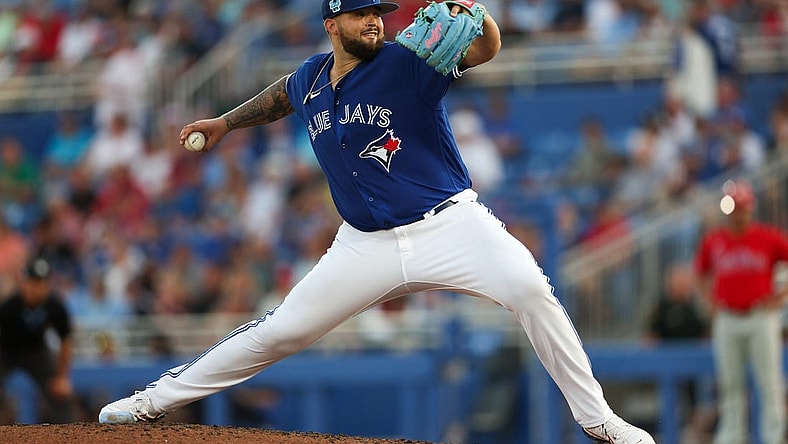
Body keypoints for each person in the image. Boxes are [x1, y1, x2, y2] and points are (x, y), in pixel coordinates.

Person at [98, 1, 655, 442]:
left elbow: (486, 47)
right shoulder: (312, 79)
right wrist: (224, 122)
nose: (375, 21)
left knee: (532, 290)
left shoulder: (409, 64)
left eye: (379, 13)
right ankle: (150, 402)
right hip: (363, 244)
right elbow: (281, 97)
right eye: (363, 13)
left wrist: (475, 12)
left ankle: (598, 420)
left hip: (450, 226)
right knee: (281, 329)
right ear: (332, 22)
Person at [694, 179, 788, 444]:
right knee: (730, 383)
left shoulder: (767, 237)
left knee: (769, 382)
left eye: (740, 209)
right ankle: (731, 437)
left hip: (760, 316)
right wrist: (709, 302)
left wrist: (781, 296)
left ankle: (773, 437)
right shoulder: (715, 240)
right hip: (728, 318)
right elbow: (700, 274)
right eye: (733, 210)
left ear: (750, 209)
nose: (736, 215)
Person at [0, 257, 74, 423]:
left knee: (59, 393)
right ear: (24, 282)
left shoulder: (54, 306)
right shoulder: (9, 307)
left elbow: (66, 341)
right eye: (33, 282)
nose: (38, 288)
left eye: (42, 282)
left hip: (37, 352)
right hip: (6, 352)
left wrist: (62, 377)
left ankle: (70, 434)